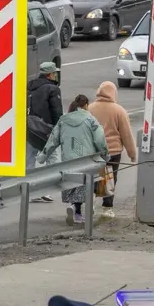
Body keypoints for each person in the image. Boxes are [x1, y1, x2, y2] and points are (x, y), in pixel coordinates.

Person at [36, 93, 107, 224]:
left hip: (68, 159)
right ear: (85, 105)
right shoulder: (90, 119)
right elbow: (99, 138)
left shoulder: (63, 120)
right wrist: (104, 153)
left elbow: (53, 140)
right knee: (83, 184)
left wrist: (42, 156)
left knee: (70, 183)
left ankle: (73, 207)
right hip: (86, 159)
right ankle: (77, 211)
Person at [86, 81, 135, 218]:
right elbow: (126, 134)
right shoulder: (119, 110)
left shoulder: (90, 108)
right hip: (113, 151)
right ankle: (107, 207)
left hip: (93, 151)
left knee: (94, 176)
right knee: (111, 178)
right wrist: (132, 154)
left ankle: (91, 201)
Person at [27, 61, 63, 157]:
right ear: (50, 74)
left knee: (30, 157)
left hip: (30, 128)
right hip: (45, 129)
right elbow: (57, 111)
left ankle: (31, 172)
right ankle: (52, 172)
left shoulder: (30, 86)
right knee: (52, 156)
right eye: (54, 73)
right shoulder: (52, 89)